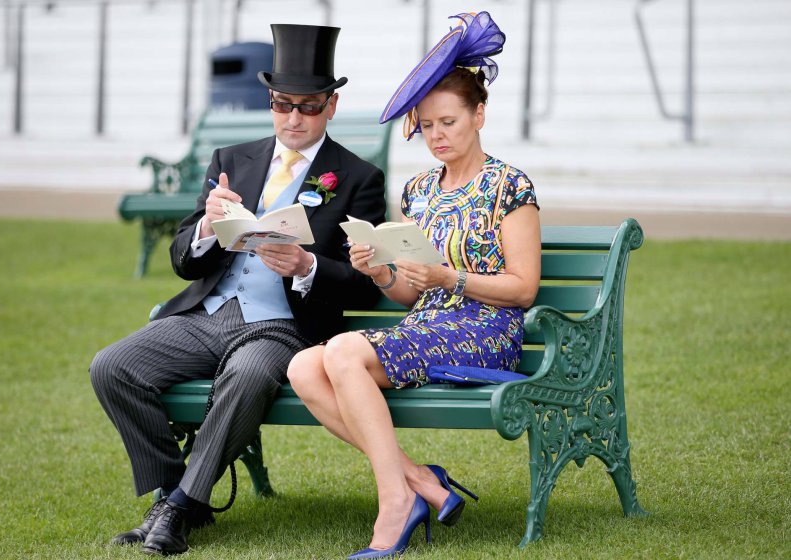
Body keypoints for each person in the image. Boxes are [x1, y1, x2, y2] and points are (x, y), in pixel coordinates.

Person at [90, 23, 386, 556]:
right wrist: (206, 226)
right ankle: (180, 492)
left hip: (281, 327)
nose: (293, 117)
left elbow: (365, 286)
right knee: (112, 367)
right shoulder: (232, 159)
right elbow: (183, 258)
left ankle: (176, 510)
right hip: (207, 314)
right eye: (282, 103)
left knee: (247, 376)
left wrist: (305, 265)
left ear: (331, 106)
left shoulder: (359, 177)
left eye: (308, 106)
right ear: (270, 102)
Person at [287, 12, 541, 559]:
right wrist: (381, 270)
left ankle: (394, 502)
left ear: (479, 114)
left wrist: (451, 278)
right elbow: (411, 293)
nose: (437, 136)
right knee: (302, 365)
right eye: (427, 126)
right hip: (428, 325)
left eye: (449, 122)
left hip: (486, 330)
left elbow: (523, 290)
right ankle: (420, 481)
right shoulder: (421, 190)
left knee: (345, 352)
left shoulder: (509, 185)